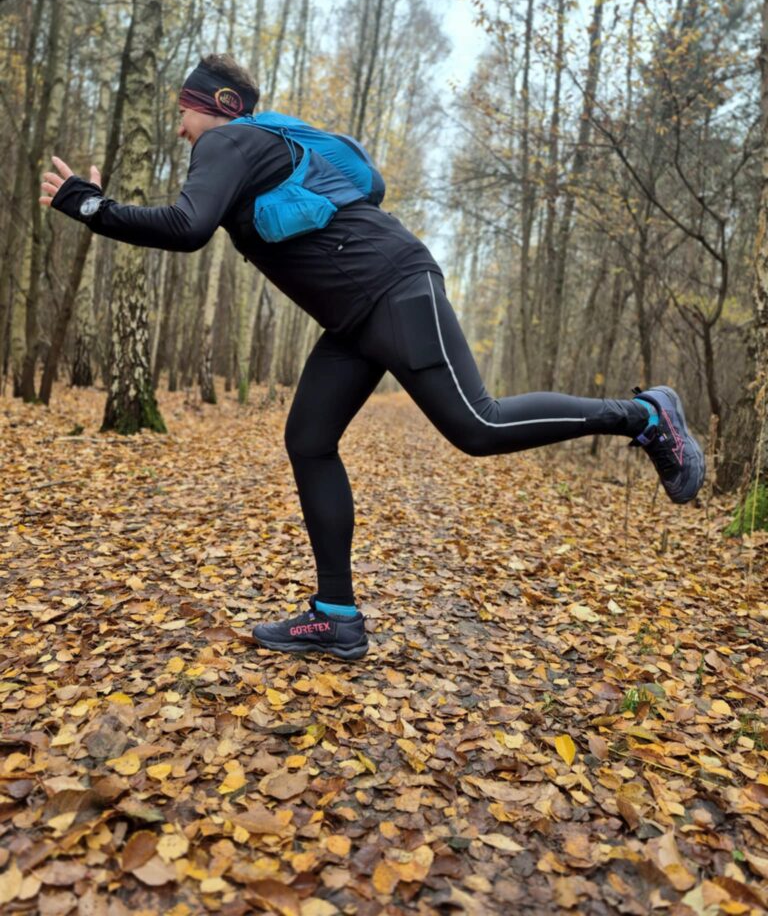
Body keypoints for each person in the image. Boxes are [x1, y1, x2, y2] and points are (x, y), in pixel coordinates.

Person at [40, 53, 706, 662]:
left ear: (216, 104)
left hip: (393, 289)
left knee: (479, 424)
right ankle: (336, 615)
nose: (181, 129)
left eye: (183, 112)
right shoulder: (256, 144)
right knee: (309, 439)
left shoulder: (229, 139)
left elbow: (188, 229)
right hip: (355, 317)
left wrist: (92, 207)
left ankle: (644, 415)